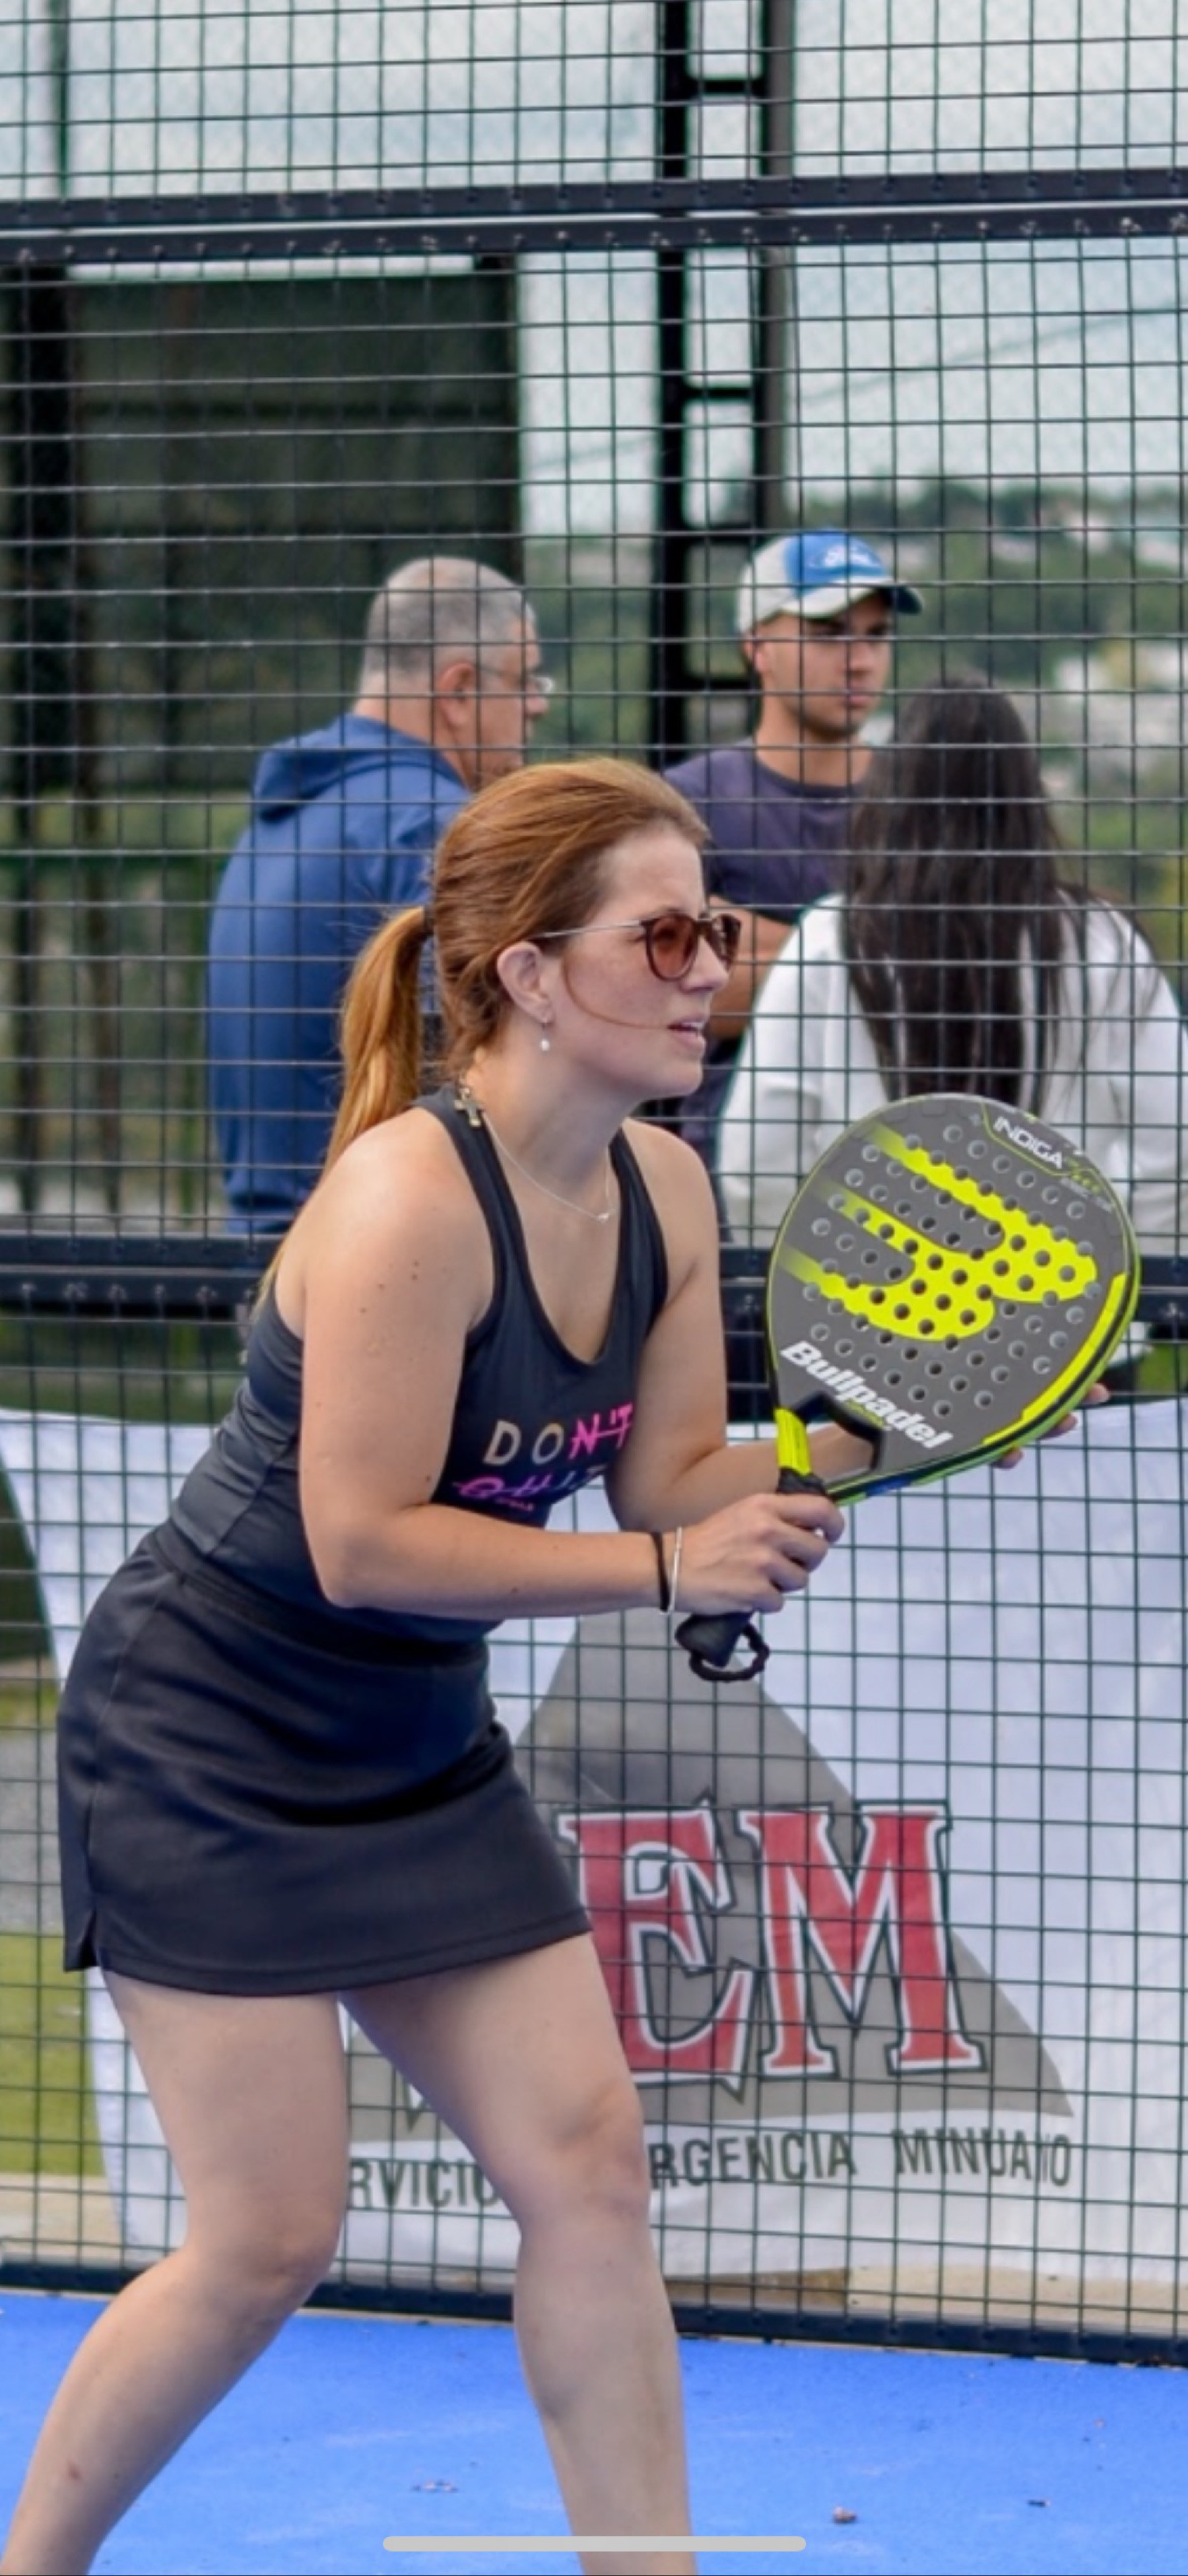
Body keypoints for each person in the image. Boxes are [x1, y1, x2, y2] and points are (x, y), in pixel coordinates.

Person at [5, 757, 865, 2576]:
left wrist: (866, 1435)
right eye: (666, 932)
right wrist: (668, 1568)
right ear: (533, 972)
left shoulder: (666, 1188)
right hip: (205, 1739)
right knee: (266, 2237)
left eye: (717, 925)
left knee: (592, 2169)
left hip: (416, 1739)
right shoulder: (405, 1198)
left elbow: (670, 1476)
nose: (715, 966)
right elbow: (366, 1541)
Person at [717, 682, 1188, 1265]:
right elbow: (1173, 1142)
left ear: (890, 795)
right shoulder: (1103, 941)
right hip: (1066, 1296)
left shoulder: (830, 936)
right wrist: (1115, 1281)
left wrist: (807, 1286)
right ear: (1026, 796)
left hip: (869, 1298)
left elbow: (761, 1151)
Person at [207, 554, 552, 1230]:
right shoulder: (431, 823)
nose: (538, 704)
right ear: (459, 691)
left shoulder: (283, 815)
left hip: (268, 1246)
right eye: (525, 680)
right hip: (378, 1247)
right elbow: (473, 1069)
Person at [663, 527, 922, 1165]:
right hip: (735, 1164)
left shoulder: (920, 804)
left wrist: (750, 941)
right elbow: (670, 991)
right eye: (828, 633)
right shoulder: (687, 801)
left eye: (876, 635)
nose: (859, 660)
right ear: (757, 645)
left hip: (900, 1162)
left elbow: (948, 984)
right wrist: (875, 952)